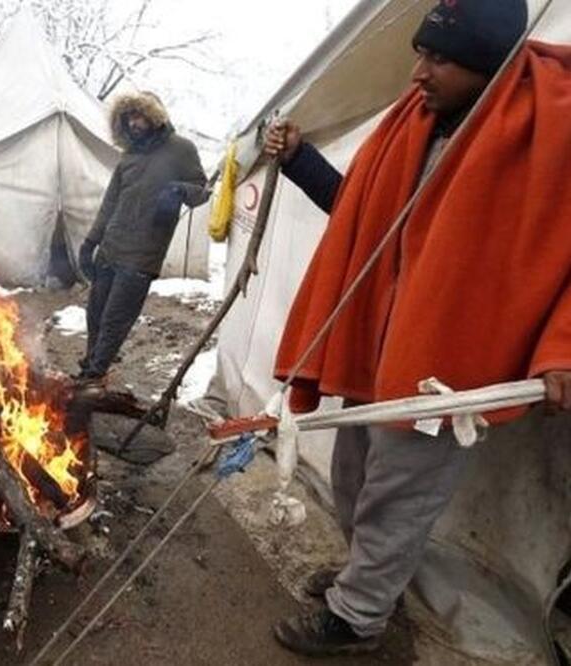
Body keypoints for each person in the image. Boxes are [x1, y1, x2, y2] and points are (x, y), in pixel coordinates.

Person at [264, 0, 571, 656]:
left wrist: (562, 348)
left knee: (401, 492)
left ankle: (358, 620)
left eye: (438, 58)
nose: (417, 72)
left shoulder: (550, 121)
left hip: (450, 361)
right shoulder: (413, 119)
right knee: (353, 473)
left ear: (486, 61)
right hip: (377, 334)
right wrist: (299, 159)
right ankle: (367, 579)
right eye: (421, 52)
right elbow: (361, 213)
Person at [77, 91, 208, 384]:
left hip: (142, 254)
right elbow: (110, 203)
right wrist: (90, 244)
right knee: (95, 314)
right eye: (129, 118)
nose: (134, 123)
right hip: (111, 247)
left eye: (139, 116)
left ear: (154, 116)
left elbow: (202, 190)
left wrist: (179, 190)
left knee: (115, 320)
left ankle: (94, 375)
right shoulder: (130, 155)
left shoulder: (181, 149)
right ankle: (91, 367)